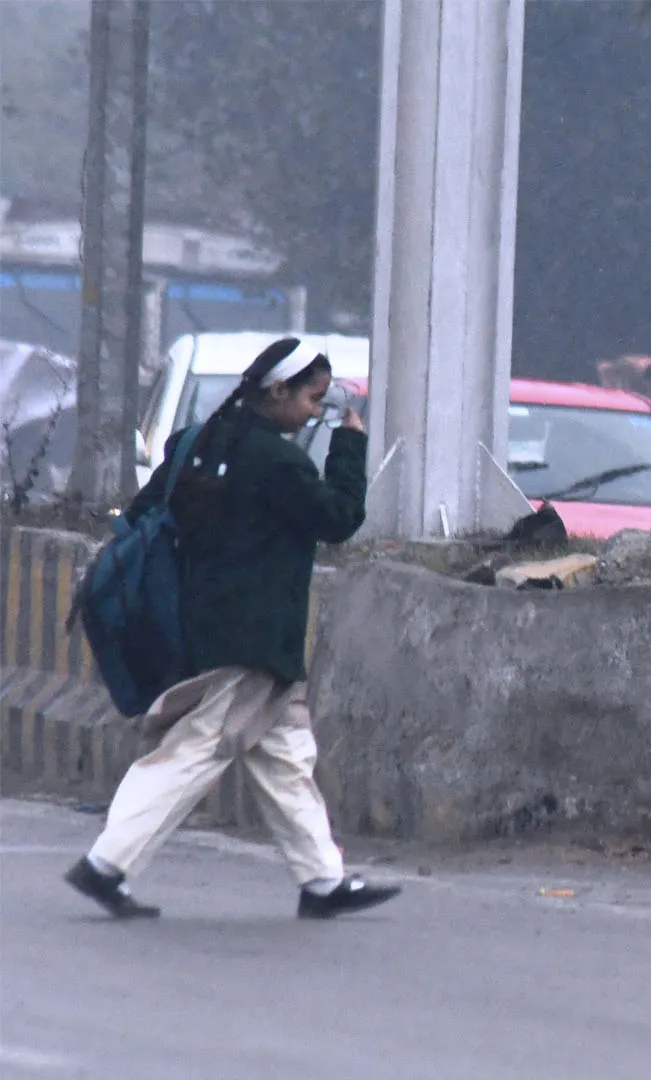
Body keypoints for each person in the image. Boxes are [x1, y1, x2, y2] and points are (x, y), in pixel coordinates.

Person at [64, 337, 401, 920]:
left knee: (286, 755)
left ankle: (322, 880)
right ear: (278, 391)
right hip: (251, 639)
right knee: (196, 750)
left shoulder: (200, 440)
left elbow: (145, 509)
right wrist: (349, 443)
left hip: (208, 624)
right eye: (312, 400)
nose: (314, 413)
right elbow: (340, 519)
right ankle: (106, 863)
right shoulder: (276, 460)